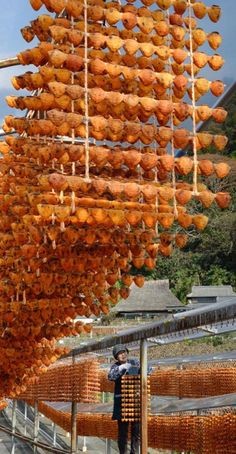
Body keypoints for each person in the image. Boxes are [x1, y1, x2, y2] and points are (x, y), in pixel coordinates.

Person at [108, 344, 140, 454]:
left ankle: (134, 452)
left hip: (135, 403)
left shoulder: (135, 363)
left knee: (136, 430)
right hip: (121, 404)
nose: (123, 354)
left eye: (124, 352)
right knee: (123, 432)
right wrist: (121, 368)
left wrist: (144, 369)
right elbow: (111, 376)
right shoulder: (115, 367)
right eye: (120, 353)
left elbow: (148, 370)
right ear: (116, 357)